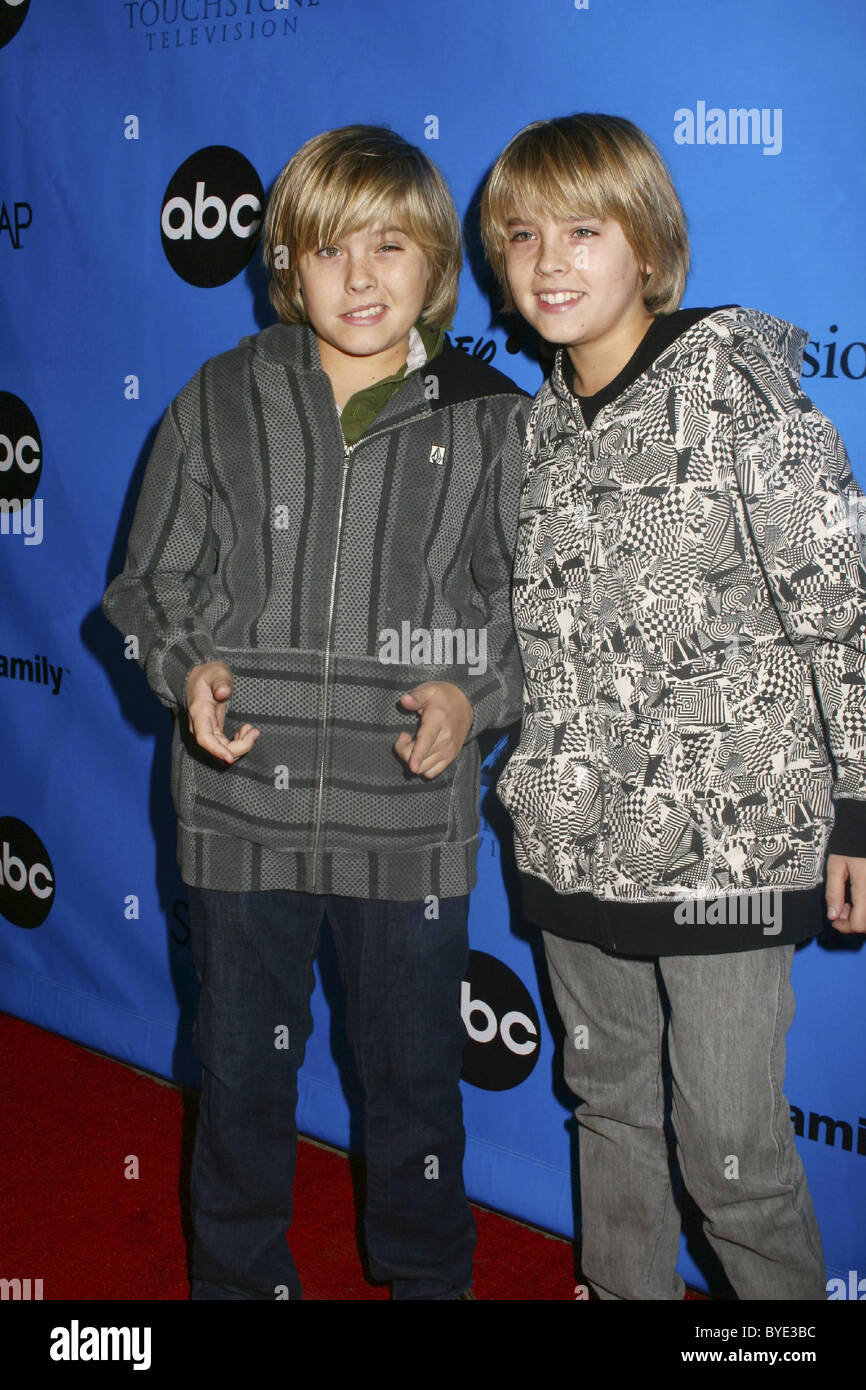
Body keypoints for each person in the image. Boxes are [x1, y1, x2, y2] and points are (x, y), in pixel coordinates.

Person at [103, 125, 528, 1300]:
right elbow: (146, 589)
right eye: (328, 247)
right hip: (240, 812)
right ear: (284, 261)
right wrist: (186, 671)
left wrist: (472, 693)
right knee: (239, 1081)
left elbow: (532, 611)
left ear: (434, 263)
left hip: (409, 822)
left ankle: (429, 1281)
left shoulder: (491, 414)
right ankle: (236, 1285)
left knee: (412, 1090)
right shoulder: (221, 397)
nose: (358, 276)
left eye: (388, 246)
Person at [480, 112, 866, 1300]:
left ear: (644, 246)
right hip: (568, 835)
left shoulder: (732, 383)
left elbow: (839, 601)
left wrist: (856, 802)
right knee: (606, 1111)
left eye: (582, 230)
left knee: (735, 1159)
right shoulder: (532, 426)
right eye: (519, 236)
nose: (548, 261)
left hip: (728, 844)